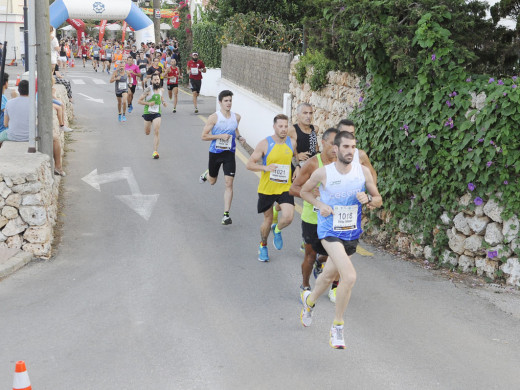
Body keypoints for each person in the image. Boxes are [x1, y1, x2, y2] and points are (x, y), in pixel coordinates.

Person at [299, 131, 382, 349]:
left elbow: (379, 199)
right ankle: (337, 326)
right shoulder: (322, 173)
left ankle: (309, 302)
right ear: (336, 149)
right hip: (329, 231)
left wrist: (370, 199)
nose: (349, 151)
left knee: (327, 276)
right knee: (350, 276)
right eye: (345, 147)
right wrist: (320, 205)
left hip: (351, 233)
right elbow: (304, 192)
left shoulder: (363, 172)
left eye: (353, 147)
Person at [289, 127, 338, 292]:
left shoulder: (342, 164)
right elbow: (293, 189)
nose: (335, 148)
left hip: (332, 218)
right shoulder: (313, 164)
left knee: (333, 255)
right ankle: (305, 285)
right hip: (313, 218)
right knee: (309, 256)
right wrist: (312, 193)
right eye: (332, 144)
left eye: (338, 144)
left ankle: (320, 262)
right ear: (323, 143)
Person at [246, 114, 297, 261]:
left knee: (288, 217)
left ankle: (278, 229)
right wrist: (265, 167)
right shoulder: (265, 144)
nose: (283, 129)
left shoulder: (291, 142)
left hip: (284, 187)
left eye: (286, 126)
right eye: (280, 126)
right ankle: (263, 245)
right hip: (267, 188)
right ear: (274, 127)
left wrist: (298, 166)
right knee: (267, 220)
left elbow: (295, 156)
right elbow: (249, 164)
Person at [199, 90, 245, 225]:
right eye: (226, 101)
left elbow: (235, 129)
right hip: (215, 153)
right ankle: (207, 174)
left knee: (229, 183)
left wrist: (239, 137)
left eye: (230, 100)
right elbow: (204, 136)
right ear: (220, 102)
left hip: (229, 153)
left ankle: (226, 215)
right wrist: (219, 136)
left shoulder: (236, 117)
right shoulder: (214, 117)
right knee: (212, 181)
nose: (228, 103)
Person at [0, 81, 66, 176]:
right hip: (31, 135)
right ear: (30, 91)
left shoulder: (9, 103)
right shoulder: (35, 104)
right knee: (55, 139)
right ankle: (58, 167)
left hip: (12, 135)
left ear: (19, 90)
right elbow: (42, 122)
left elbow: (5, 124)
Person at [138, 74, 167, 159]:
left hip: (157, 112)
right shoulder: (148, 89)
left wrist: (164, 102)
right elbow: (139, 101)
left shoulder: (161, 89)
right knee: (147, 132)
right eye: (155, 80)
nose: (157, 81)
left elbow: (161, 97)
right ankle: (154, 149)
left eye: (158, 79)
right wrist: (148, 103)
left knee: (156, 131)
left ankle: (155, 151)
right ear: (152, 81)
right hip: (147, 112)